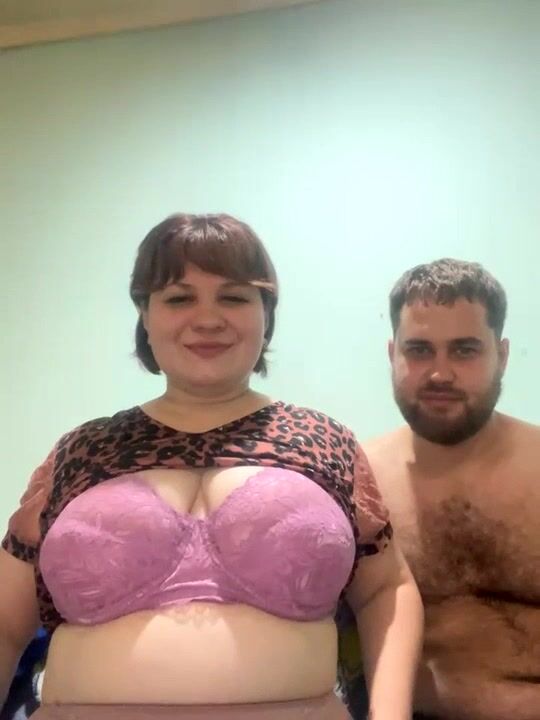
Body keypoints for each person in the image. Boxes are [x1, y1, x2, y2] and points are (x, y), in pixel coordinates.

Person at [0, 213, 422, 720]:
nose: (207, 319)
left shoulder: (326, 442)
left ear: (265, 314)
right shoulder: (79, 452)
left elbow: (386, 591)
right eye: (179, 299)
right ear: (145, 315)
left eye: (234, 297)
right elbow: (5, 622)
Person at [361, 258, 540, 720]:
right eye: (419, 350)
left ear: (502, 355)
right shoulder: (358, 480)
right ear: (392, 354)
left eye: (464, 350)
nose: (440, 374)